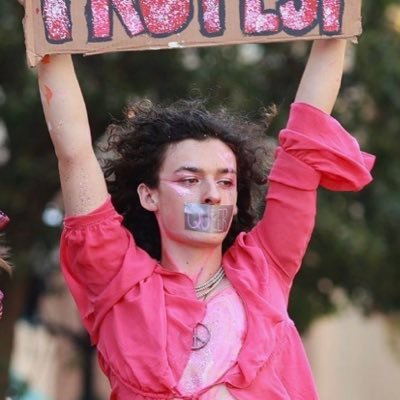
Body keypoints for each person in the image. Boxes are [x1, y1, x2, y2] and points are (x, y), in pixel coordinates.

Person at [36, 39, 374, 399]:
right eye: (189, 180)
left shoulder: (264, 266)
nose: (212, 193)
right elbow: (73, 152)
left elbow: (308, 130)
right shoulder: (119, 283)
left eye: (225, 181)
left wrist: (335, 29)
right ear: (149, 195)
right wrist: (48, 30)